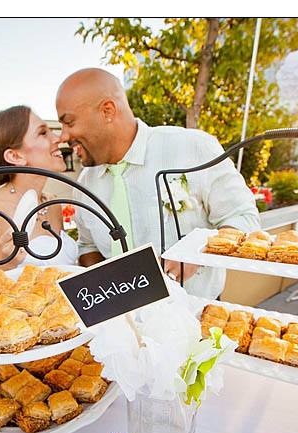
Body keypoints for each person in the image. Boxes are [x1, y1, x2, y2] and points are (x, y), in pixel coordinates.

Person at [55, 68, 261, 299]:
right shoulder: (84, 184)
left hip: (197, 317)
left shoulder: (194, 148)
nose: (62, 136)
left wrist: (198, 249)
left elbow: (244, 218)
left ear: (107, 111)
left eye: (69, 122)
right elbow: (88, 247)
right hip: (124, 327)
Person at [0, 105, 79, 278]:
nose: (58, 138)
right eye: (42, 133)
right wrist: (7, 265)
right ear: (15, 156)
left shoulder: (52, 204)